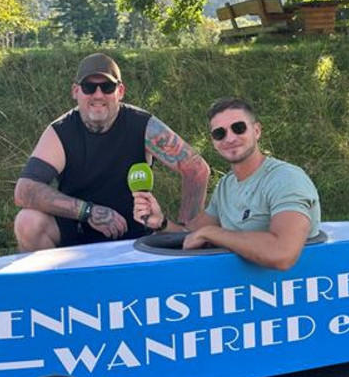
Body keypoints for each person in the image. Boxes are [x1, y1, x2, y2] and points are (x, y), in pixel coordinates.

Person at [13, 53, 210, 251]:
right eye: (89, 87)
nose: (98, 95)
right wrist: (88, 212)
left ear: (120, 91)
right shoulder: (60, 132)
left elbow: (196, 169)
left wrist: (187, 230)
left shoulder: (142, 125)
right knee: (27, 222)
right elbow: (24, 190)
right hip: (77, 230)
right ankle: (54, 281)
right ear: (75, 91)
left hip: (135, 232)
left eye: (107, 87)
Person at [132, 97, 321, 270]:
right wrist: (160, 222)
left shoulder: (285, 179)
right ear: (214, 142)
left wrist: (212, 233)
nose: (230, 138)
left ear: (256, 131)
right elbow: (190, 234)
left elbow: (283, 254)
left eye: (238, 128)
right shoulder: (226, 185)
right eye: (219, 133)